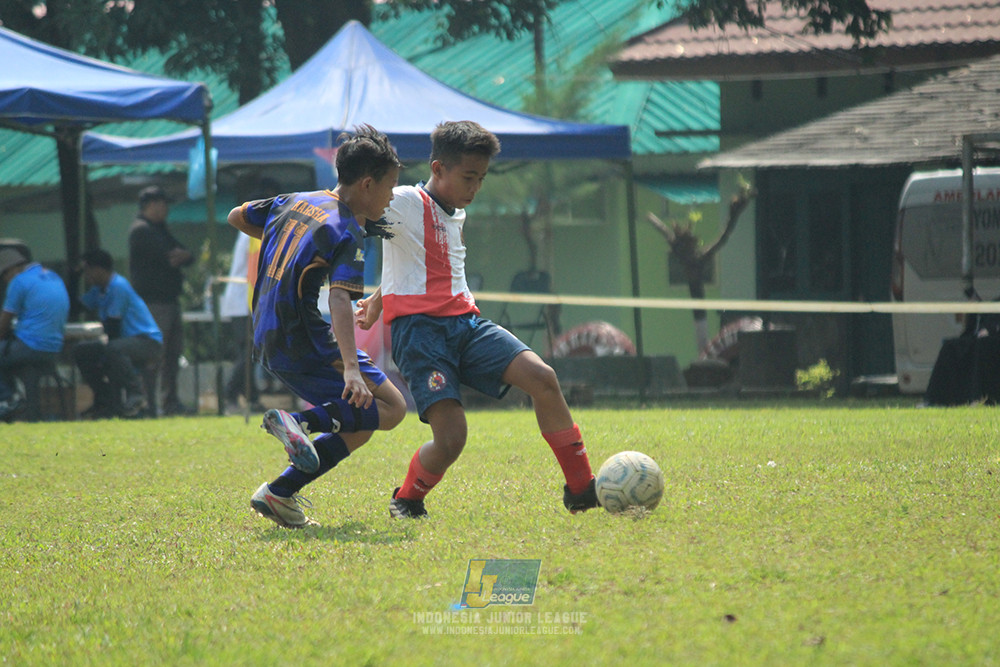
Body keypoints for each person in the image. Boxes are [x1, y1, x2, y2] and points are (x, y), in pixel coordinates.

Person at [355, 120, 599, 518]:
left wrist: (380, 298)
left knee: (543, 379)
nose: (475, 188)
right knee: (452, 439)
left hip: (466, 324)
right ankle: (408, 498)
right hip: (420, 334)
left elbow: (416, 260)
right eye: (469, 177)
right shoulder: (400, 202)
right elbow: (348, 205)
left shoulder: (455, 213)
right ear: (438, 169)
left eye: (481, 179)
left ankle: (581, 489)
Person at [227, 124, 408, 529]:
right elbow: (340, 299)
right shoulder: (348, 230)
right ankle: (301, 424)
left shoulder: (295, 199)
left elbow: (237, 215)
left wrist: (289, 243)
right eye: (391, 185)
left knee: (362, 422)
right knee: (393, 409)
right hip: (304, 339)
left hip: (266, 337)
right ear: (366, 184)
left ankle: (280, 492)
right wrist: (349, 367)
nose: (393, 195)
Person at [74, 249, 163, 419]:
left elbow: (113, 328)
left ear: (99, 270)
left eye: (87, 271)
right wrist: (73, 277)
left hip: (147, 342)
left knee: (112, 349)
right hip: (124, 343)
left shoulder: (118, 286)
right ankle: (103, 400)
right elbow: (75, 308)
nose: (86, 276)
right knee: (82, 351)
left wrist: (103, 358)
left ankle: (136, 393)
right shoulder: (99, 290)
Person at [128, 185, 194, 416]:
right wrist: (180, 256)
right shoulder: (142, 230)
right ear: (151, 205)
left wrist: (184, 255)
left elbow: (185, 254)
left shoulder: (159, 229)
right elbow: (170, 256)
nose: (166, 208)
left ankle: (169, 403)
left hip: (169, 301)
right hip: (153, 304)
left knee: (172, 356)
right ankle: (148, 404)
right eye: (163, 203)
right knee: (155, 355)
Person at [0, 246, 70, 421]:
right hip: (53, 349)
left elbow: (3, 325)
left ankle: (9, 399)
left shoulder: (19, 281)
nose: (5, 281)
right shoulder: (53, 276)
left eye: (4, 276)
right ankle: (14, 399)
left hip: (30, 347)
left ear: (12, 269)